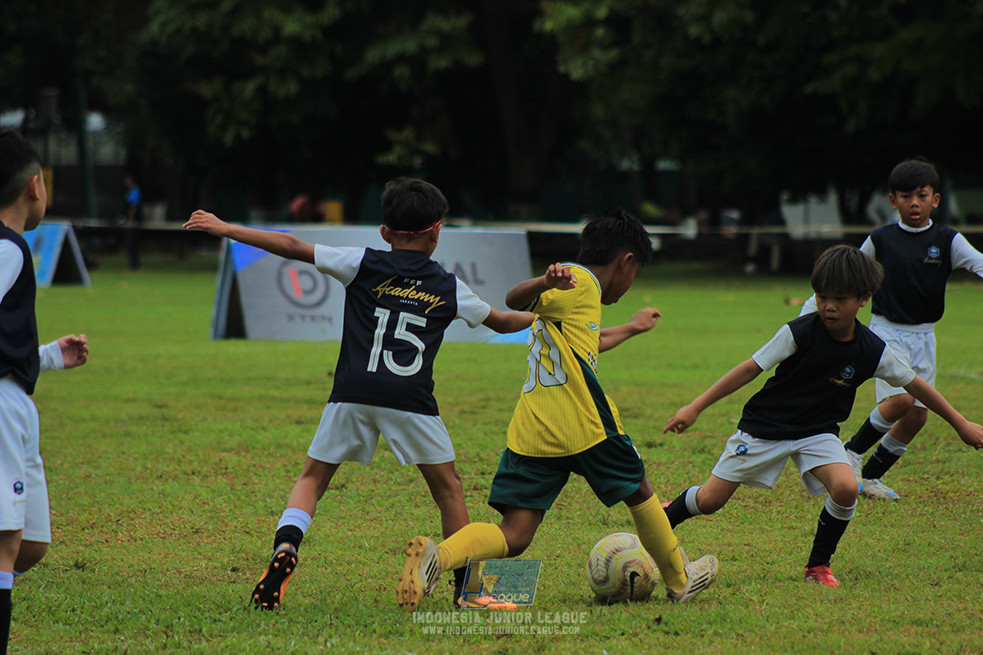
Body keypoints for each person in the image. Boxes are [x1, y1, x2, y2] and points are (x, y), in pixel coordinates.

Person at [183, 177, 535, 611]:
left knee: (313, 477)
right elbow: (501, 322)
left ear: (385, 233)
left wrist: (226, 227)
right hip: (412, 401)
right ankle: (469, 591)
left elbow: (292, 245)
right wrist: (545, 311)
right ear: (437, 231)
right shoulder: (448, 286)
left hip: (351, 392)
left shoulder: (363, 262)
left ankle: (287, 547)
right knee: (448, 491)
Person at [397, 209, 719, 613]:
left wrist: (633, 328)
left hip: (533, 429)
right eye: (634, 275)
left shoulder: (576, 299)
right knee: (639, 489)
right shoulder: (578, 280)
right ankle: (680, 580)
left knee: (514, 535)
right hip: (584, 425)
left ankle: (437, 559)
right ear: (626, 262)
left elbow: (586, 344)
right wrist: (545, 281)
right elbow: (515, 298)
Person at [662, 245, 983, 587]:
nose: (829, 307)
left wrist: (960, 423)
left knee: (847, 487)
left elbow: (917, 387)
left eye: (840, 299)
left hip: (817, 433)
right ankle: (660, 520)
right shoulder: (798, 332)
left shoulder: (873, 350)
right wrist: (695, 406)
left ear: (863, 299)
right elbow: (749, 368)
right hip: (765, 428)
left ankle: (817, 567)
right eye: (822, 297)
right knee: (710, 501)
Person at [800, 158, 983, 500]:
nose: (914, 203)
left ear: (935, 199)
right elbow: (842, 278)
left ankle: (872, 478)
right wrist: (806, 317)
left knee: (917, 417)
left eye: (922, 196)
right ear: (893, 200)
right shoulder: (880, 239)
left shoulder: (948, 240)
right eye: (906, 196)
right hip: (885, 331)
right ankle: (851, 451)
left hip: (925, 335)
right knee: (902, 399)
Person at [0, 130, 89, 655]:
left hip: (16, 404)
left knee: (30, 543)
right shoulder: (6, 248)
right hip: (2, 411)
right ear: (36, 186)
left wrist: (48, 356)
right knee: (4, 546)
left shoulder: (12, 248)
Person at [123, 173, 142, 270]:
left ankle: (134, 264)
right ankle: (132, 263)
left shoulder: (134, 190)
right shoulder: (130, 190)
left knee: (131, 242)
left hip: (134, 222)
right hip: (132, 221)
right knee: (130, 243)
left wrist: (130, 220)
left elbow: (134, 206)